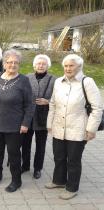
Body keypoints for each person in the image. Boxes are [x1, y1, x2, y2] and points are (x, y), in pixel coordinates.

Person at [45, 54, 103, 200]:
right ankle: (58, 180)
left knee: (73, 160)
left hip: (78, 129)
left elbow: (97, 108)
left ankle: (72, 188)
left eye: (71, 65)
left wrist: (91, 129)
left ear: (79, 67)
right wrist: (49, 124)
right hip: (58, 126)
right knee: (59, 156)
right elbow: (52, 103)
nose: (68, 68)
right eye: (66, 66)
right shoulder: (58, 81)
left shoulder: (87, 82)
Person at [0, 49, 34, 192]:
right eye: (9, 62)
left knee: (14, 155)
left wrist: (26, 123)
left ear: (19, 64)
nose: (12, 65)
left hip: (14, 126)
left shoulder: (23, 80)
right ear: (4, 63)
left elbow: (29, 104)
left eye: (15, 62)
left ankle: (16, 180)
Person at [21, 54, 56, 179]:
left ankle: (38, 168)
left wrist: (48, 101)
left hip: (43, 116)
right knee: (25, 143)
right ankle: (25, 165)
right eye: (38, 63)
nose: (40, 66)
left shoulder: (53, 79)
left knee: (40, 145)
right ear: (34, 65)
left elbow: (58, 98)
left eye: (43, 64)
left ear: (48, 66)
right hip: (28, 117)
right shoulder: (26, 77)